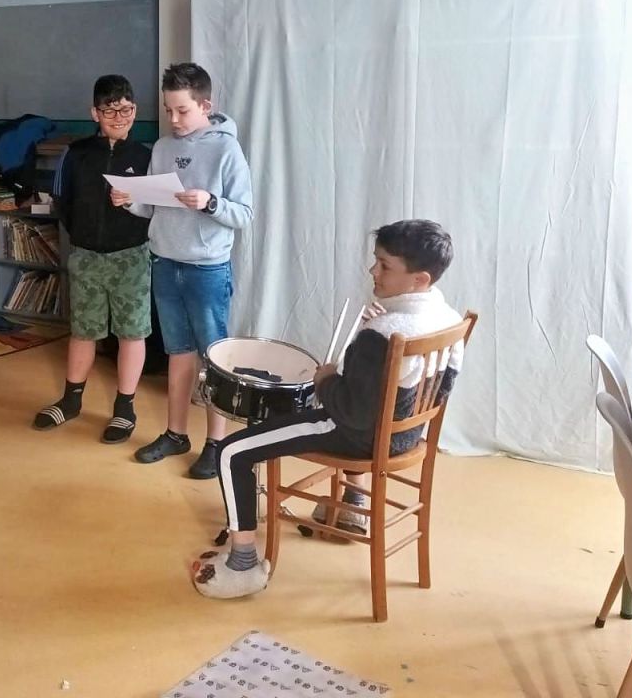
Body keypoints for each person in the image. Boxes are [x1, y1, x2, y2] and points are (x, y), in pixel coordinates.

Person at [190, 219, 465, 599]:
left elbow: (351, 410)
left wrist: (326, 379)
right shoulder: (447, 319)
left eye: (385, 265)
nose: (373, 270)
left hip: (358, 434)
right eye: (376, 260)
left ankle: (242, 564)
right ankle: (352, 504)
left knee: (232, 451)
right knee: (310, 411)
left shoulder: (382, 334)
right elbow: (437, 386)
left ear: (419, 279)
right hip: (406, 436)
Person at [110, 63, 253, 479]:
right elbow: (153, 206)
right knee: (178, 351)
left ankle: (216, 444)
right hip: (164, 259)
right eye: (168, 110)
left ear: (206, 105)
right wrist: (129, 200)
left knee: (216, 359)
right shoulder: (162, 147)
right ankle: (176, 434)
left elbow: (244, 214)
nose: (174, 119)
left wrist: (211, 202)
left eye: (183, 110)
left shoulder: (227, 150)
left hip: (207, 268)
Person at [32, 75, 152, 443]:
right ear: (94, 113)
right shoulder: (76, 154)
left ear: (135, 111)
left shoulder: (146, 156)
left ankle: (125, 407)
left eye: (126, 110)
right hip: (85, 256)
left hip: (131, 257)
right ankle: (71, 400)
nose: (119, 118)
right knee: (83, 330)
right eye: (109, 110)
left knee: (132, 332)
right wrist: (82, 237)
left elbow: (157, 207)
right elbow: (62, 201)